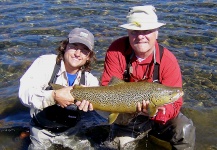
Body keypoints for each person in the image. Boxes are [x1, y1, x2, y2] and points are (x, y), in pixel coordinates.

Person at [101, 5, 196, 150]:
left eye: (147, 31)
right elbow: (107, 87)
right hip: (126, 115)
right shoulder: (116, 50)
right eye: (134, 32)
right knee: (118, 147)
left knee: (185, 128)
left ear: (156, 33)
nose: (140, 36)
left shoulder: (168, 60)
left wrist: (158, 113)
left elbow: (176, 103)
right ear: (128, 32)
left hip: (160, 119)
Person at [19, 28, 104, 149]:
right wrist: (53, 96)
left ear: (89, 56)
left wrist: (92, 107)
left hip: (72, 131)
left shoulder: (90, 81)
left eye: (84, 50)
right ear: (65, 46)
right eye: (74, 46)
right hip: (41, 129)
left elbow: (103, 107)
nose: (78, 53)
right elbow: (24, 93)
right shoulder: (45, 64)